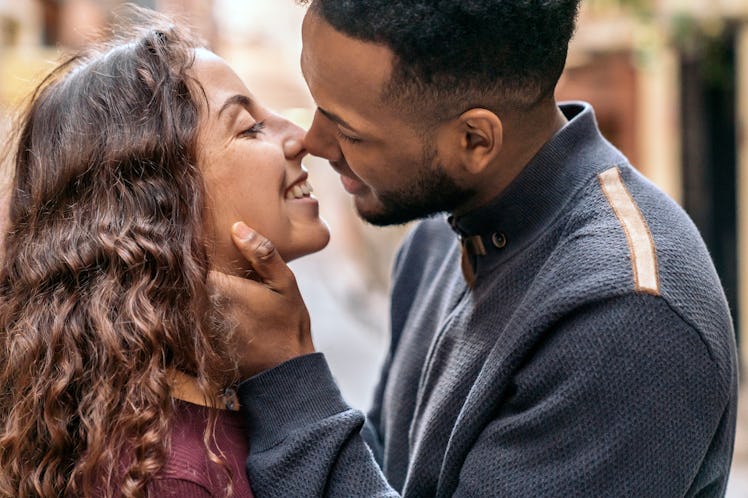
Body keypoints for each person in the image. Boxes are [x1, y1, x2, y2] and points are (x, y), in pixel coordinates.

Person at [221, 0, 739, 497]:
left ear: (474, 140)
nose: (314, 143)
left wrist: (286, 372)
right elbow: (385, 474)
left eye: (351, 132)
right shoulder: (435, 242)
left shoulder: (625, 315)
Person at [0, 8, 328, 498]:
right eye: (249, 127)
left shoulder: (192, 415)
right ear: (165, 207)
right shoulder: (169, 473)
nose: (300, 138)